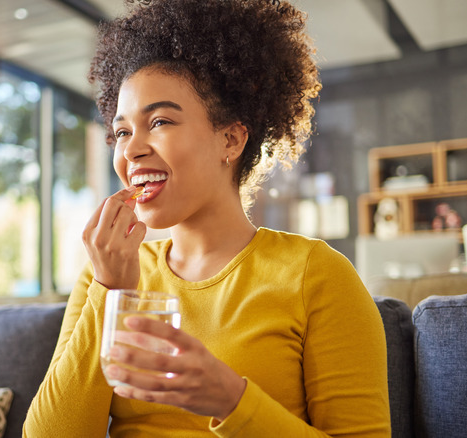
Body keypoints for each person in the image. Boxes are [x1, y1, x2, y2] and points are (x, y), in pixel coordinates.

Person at [23, 0, 390, 436]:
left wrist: (230, 399)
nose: (131, 149)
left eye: (158, 121)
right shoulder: (108, 274)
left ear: (230, 139)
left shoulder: (316, 276)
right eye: (122, 131)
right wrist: (110, 292)